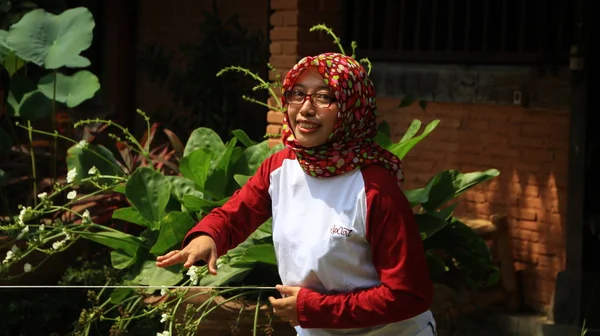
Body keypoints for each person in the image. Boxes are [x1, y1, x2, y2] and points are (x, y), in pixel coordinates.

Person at [156, 52, 436, 336]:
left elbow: (409, 295)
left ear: (353, 108)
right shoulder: (281, 166)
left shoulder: (375, 188)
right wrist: (208, 236)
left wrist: (313, 309)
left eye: (324, 97)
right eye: (297, 94)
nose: (305, 108)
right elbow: (235, 214)